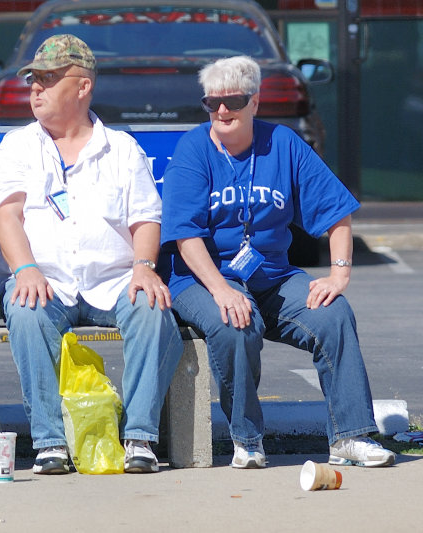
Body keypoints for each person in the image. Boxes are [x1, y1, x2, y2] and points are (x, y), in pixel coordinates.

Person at [160, 55, 395, 469]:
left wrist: (339, 274)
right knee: (237, 322)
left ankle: (350, 437)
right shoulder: (194, 149)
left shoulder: (283, 144)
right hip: (200, 279)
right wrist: (221, 289)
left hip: (272, 277)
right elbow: (185, 238)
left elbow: (337, 213)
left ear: (255, 103)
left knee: (333, 314)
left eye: (232, 101)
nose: (221, 111)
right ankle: (247, 440)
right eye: (211, 102)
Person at [0, 34, 183, 475]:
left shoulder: (122, 149)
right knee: (25, 307)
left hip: (113, 279)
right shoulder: (18, 145)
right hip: (46, 279)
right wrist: (26, 268)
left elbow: (146, 218)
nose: (35, 88)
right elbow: (7, 218)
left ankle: (140, 438)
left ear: (82, 86)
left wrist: (144, 268)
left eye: (48, 79)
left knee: (154, 307)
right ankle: (50, 442)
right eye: (33, 79)